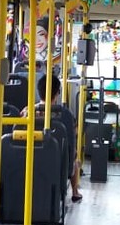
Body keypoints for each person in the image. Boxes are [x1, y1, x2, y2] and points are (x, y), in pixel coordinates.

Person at [23, 72, 83, 202]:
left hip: (29, 160)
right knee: (76, 159)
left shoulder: (27, 111)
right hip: (59, 164)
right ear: (57, 93)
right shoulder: (66, 115)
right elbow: (72, 140)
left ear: (39, 92)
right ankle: (75, 191)